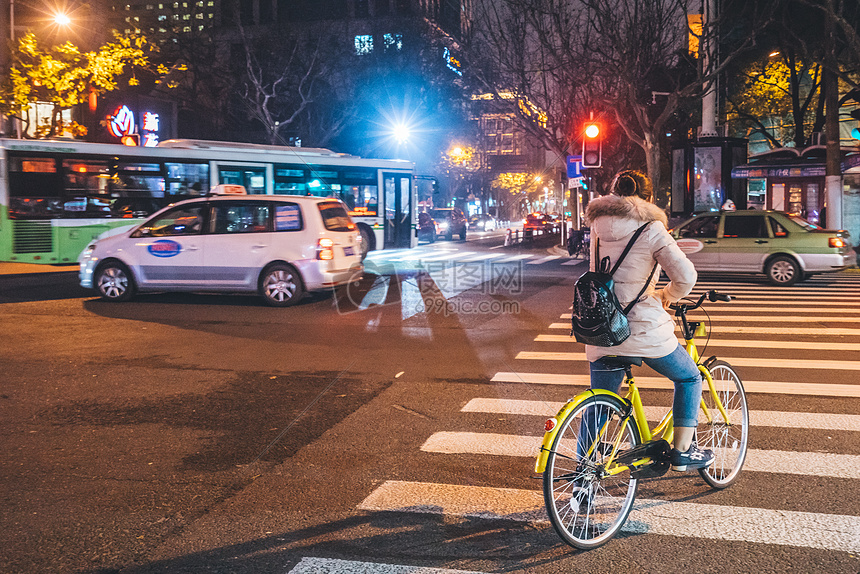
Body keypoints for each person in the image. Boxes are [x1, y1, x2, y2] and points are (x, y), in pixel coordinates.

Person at [583, 169, 714, 471]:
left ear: (613, 194)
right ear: (649, 198)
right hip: (641, 328)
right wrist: (667, 295)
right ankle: (683, 452)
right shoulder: (653, 229)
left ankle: (582, 477)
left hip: (601, 328)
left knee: (600, 404)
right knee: (690, 377)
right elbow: (686, 276)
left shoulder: (597, 228)